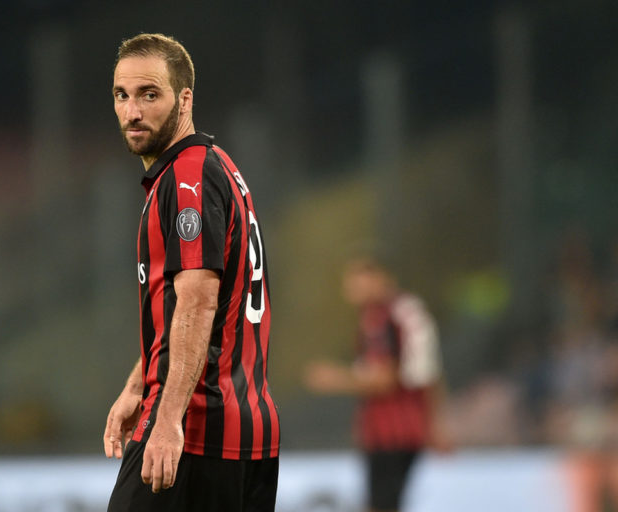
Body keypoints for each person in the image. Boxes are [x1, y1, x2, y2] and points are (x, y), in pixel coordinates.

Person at [103, 33, 280, 512]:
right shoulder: (216, 165)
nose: (132, 112)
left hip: (198, 426)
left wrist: (167, 420)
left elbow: (199, 302)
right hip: (249, 429)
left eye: (149, 95)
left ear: (184, 100)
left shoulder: (189, 178)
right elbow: (191, 311)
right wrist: (137, 384)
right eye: (122, 95)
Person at [304, 257, 449, 512]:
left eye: (357, 280)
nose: (350, 288)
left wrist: (334, 379)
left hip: (393, 430)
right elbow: (428, 372)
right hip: (393, 429)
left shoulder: (388, 316)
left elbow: (387, 379)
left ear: (379, 278)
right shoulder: (394, 313)